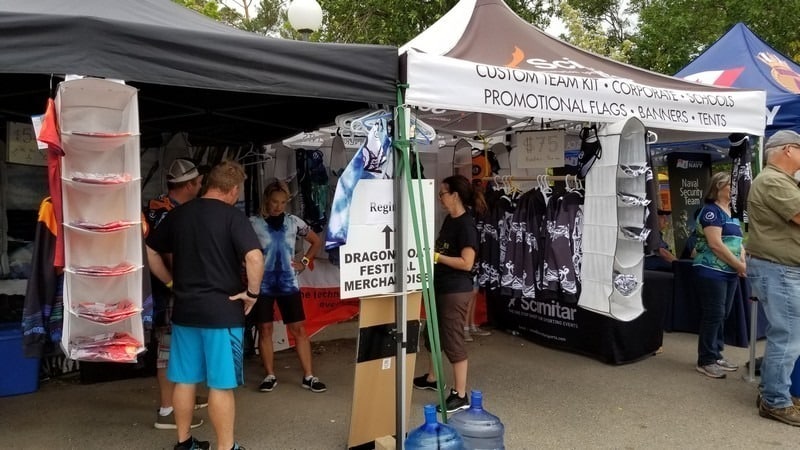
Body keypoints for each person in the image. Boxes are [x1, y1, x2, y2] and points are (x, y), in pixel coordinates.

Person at [146, 160, 264, 450]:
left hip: (185, 311)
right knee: (221, 384)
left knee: (185, 380)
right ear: (233, 189)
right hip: (222, 313)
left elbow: (150, 250)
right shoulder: (233, 217)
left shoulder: (179, 214)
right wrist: (252, 293)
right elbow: (254, 257)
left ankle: (184, 443)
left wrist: (171, 283)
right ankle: (227, 447)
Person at [414, 174, 486, 413]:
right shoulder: (449, 220)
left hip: (455, 290)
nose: (439, 198)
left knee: (452, 340)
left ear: (455, 195)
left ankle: (460, 394)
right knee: (432, 334)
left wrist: (436, 257)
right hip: (440, 285)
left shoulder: (466, 225)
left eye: (442, 193)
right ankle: (433, 378)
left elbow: (467, 263)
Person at [144, 158, 207, 430]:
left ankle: (182, 396)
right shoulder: (171, 214)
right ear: (189, 185)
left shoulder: (157, 206)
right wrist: (176, 283)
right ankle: (167, 410)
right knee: (168, 347)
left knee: (178, 345)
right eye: (199, 182)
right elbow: (169, 254)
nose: (201, 186)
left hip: (164, 288)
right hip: (169, 291)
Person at [249, 180, 326, 394]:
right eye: (275, 201)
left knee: (298, 329)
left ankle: (309, 376)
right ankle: (269, 375)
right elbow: (239, 248)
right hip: (263, 283)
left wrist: (304, 262)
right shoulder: (253, 223)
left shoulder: (293, 221)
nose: (279, 206)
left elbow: (316, 241)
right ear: (267, 200)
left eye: (283, 202)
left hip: (288, 283)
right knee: (265, 329)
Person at [746, 129, 800, 426]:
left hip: (779, 268)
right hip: (781, 269)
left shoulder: (778, 180)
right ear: (788, 150)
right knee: (788, 337)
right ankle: (775, 400)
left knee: (785, 335)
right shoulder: (773, 180)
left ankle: (772, 393)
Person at [692, 172, 746, 379]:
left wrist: (742, 262)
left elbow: (738, 242)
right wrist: (739, 265)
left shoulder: (733, 212)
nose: (734, 188)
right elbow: (715, 244)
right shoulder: (710, 211)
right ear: (717, 187)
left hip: (730, 271)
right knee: (714, 313)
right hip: (711, 270)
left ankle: (716, 353)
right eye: (730, 185)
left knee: (723, 314)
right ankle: (705, 360)